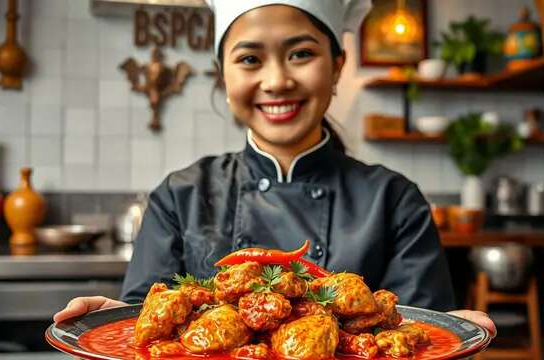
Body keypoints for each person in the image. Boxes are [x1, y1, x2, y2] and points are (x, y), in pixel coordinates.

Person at [54, 0, 495, 335]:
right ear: (223, 76)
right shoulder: (179, 195)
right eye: (249, 59)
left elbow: (419, 334)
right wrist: (115, 330)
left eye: (301, 54)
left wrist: (446, 339)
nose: (277, 80)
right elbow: (145, 330)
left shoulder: (394, 200)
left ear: (338, 65)